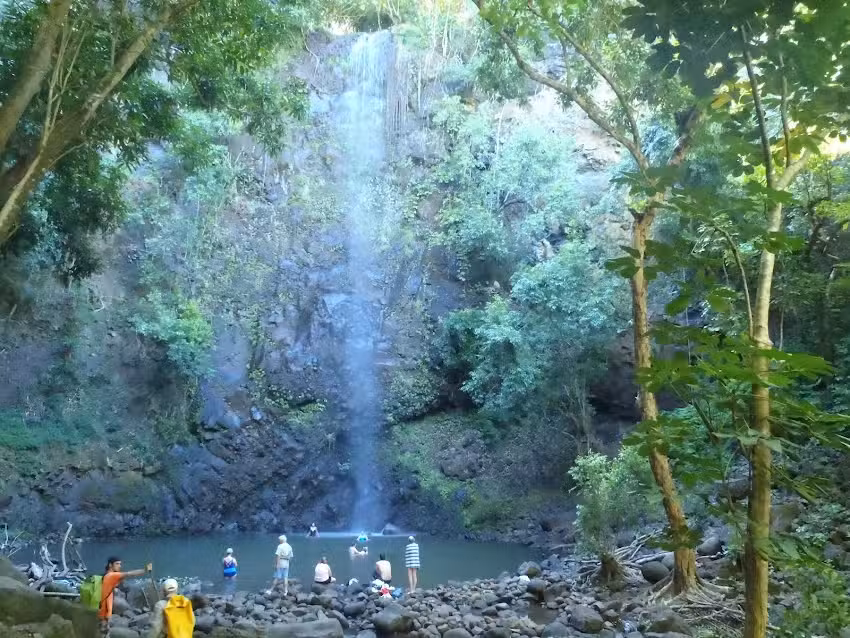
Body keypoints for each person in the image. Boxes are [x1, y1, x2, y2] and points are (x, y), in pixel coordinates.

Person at [99, 557, 152, 637]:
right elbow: (130, 574)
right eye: (117, 564)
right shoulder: (111, 575)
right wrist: (145, 570)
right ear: (110, 565)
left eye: (120, 564)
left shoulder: (106, 576)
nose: (119, 566)